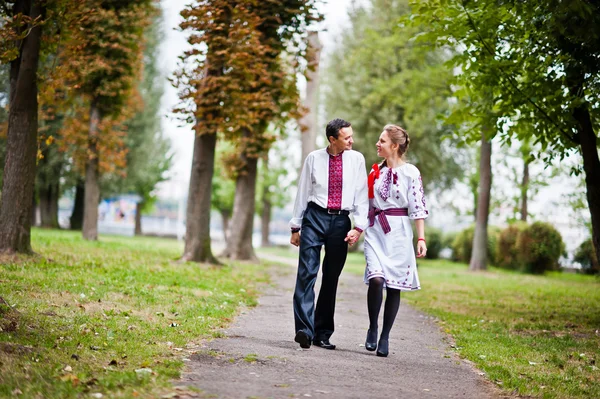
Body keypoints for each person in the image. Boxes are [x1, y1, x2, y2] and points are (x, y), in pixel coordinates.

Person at [290, 118, 369, 350]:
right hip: (314, 217)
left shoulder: (357, 159)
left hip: (341, 222)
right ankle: (304, 329)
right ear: (332, 139)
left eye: (351, 136)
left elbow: (362, 195)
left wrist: (358, 227)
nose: (352, 140)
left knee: (331, 277)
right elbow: (303, 192)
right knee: (306, 273)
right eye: (347, 137)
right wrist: (296, 227)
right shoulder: (314, 158)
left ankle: (322, 333)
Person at [363, 124, 428, 357]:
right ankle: (372, 326)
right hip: (375, 231)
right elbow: (366, 203)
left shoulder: (411, 172)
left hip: (399, 233)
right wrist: (359, 228)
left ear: (394, 145)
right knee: (377, 280)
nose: (377, 144)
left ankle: (385, 336)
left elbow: (418, 206)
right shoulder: (374, 172)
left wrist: (421, 237)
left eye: (382, 141)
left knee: (394, 286)